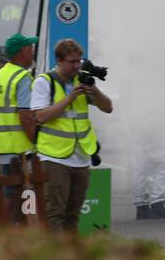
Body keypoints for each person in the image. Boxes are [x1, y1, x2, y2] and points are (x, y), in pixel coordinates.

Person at [32, 38, 112, 231]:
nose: (77, 66)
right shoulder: (45, 82)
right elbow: (41, 116)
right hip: (54, 157)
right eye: (72, 62)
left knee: (73, 216)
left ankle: (70, 256)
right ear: (59, 60)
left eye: (79, 61)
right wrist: (69, 98)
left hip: (81, 157)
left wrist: (94, 91)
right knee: (55, 214)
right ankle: (56, 258)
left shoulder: (82, 79)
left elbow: (108, 108)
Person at [0, 34, 38, 222]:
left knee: (9, 194)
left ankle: (6, 232)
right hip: (22, 148)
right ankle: (28, 233)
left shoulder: (0, 75)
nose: (32, 51)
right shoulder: (23, 77)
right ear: (21, 52)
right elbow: (25, 116)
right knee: (29, 195)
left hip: (4, 146)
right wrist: (36, 140)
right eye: (29, 48)